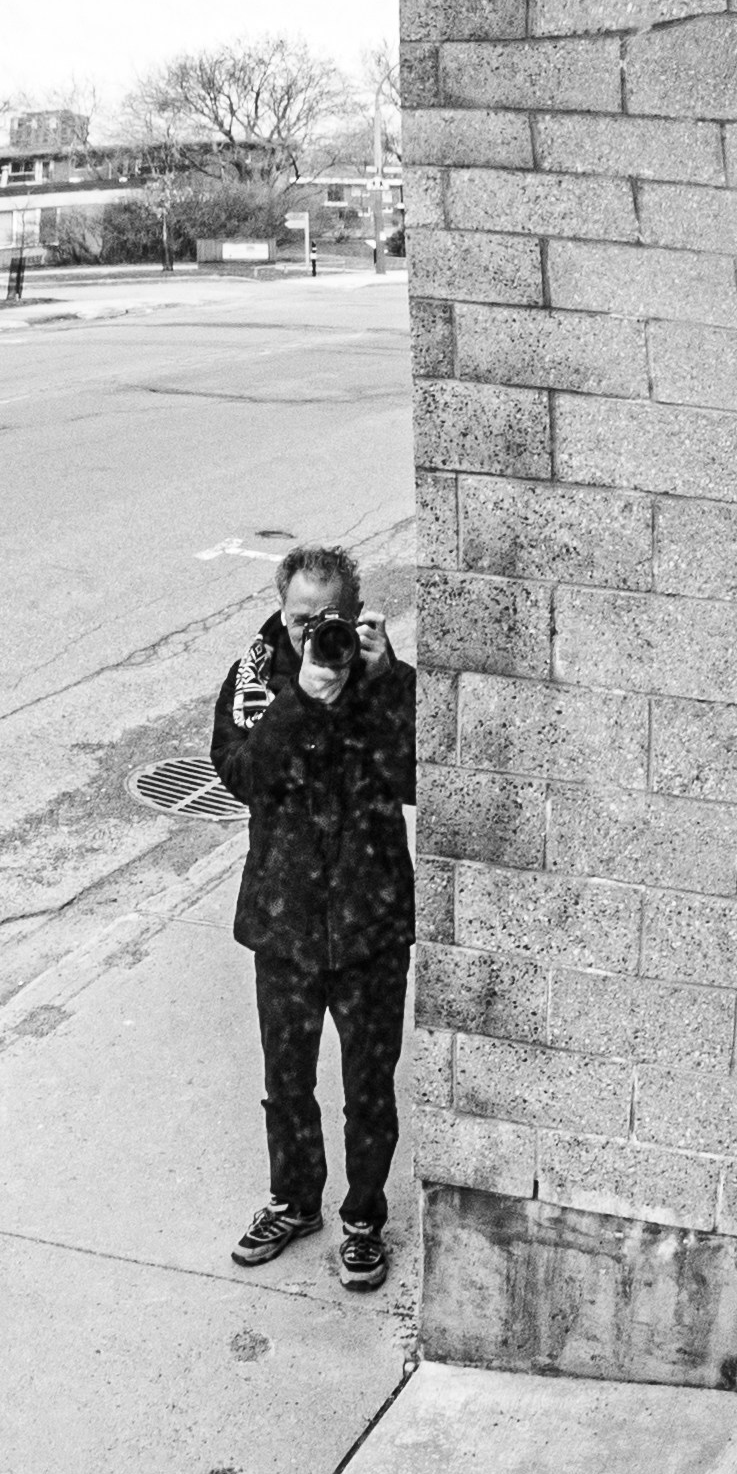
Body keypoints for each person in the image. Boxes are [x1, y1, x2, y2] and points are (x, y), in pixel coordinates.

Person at [210, 542, 418, 1287]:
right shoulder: (256, 678)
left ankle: (364, 1217)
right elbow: (241, 776)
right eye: (300, 619)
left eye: (328, 619)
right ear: (281, 610)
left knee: (370, 1083)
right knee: (287, 1080)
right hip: (287, 921)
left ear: (356, 614)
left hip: (372, 921)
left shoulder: (387, 679)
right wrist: (304, 696)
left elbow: (423, 776)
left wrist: (384, 682)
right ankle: (295, 1200)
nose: (313, 634)